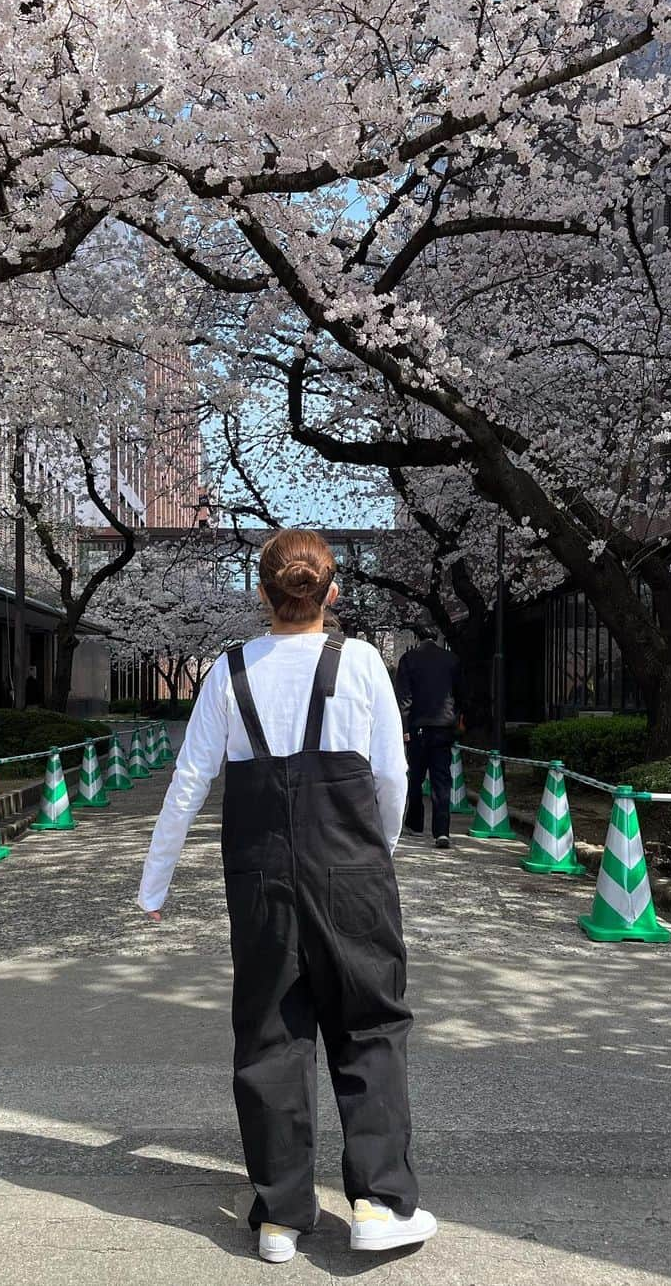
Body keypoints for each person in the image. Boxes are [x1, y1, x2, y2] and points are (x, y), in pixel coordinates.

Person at [137, 529, 437, 1263]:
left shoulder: (228, 670)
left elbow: (188, 783)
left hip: (260, 876)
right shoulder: (362, 662)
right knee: (368, 1024)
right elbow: (391, 778)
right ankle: (376, 1202)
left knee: (270, 1033)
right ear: (331, 592)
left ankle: (279, 1217)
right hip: (354, 872)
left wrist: (155, 882)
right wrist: (379, 851)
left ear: (263, 594)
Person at [395, 629, 466, 849]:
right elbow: (461, 693)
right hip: (443, 727)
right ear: (437, 638)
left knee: (415, 777)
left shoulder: (409, 659)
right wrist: (455, 720)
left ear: (416, 638)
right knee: (441, 780)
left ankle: (415, 824)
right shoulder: (452, 659)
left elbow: (404, 697)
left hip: (418, 727)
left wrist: (404, 727)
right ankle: (442, 831)